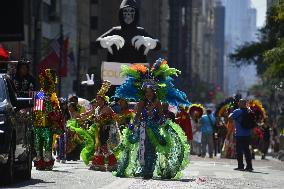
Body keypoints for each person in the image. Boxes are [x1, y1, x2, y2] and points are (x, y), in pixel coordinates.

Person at [113, 59, 190, 179]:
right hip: (143, 127)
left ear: (154, 92)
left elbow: (160, 115)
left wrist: (163, 122)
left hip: (154, 128)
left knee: (152, 149)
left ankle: (149, 169)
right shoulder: (141, 102)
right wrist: (133, 125)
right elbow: (137, 116)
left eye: (150, 92)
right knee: (142, 148)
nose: (148, 94)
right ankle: (143, 169)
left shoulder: (157, 102)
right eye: (146, 92)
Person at [33, 69, 61, 170]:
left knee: (48, 144)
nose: (43, 83)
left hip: (48, 124)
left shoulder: (52, 95)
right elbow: (35, 107)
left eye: (45, 81)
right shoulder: (39, 94)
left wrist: (54, 117)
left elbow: (56, 109)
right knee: (38, 144)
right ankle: (39, 163)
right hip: (38, 123)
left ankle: (48, 162)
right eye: (42, 81)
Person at [229, 99, 253, 172]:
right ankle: (249, 166)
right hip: (248, 134)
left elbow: (230, 118)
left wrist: (231, 112)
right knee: (247, 150)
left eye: (239, 102)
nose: (238, 103)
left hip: (240, 134)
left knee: (239, 150)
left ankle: (240, 166)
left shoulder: (237, 111)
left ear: (241, 104)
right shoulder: (249, 111)